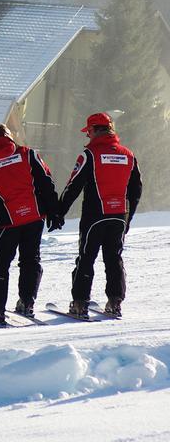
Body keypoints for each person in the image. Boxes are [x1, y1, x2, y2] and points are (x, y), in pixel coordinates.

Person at [0, 124, 60, 322]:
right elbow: (47, 182)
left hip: (7, 224)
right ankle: (27, 303)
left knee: (0, 265)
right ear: (10, 137)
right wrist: (54, 212)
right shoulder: (28, 154)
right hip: (34, 218)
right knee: (30, 261)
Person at [57, 113, 142, 317]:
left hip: (95, 216)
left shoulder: (89, 155)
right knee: (114, 259)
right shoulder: (128, 155)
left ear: (95, 129)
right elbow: (136, 189)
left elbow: (73, 186)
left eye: (89, 132)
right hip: (118, 215)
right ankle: (115, 302)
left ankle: (80, 303)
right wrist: (128, 217)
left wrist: (59, 212)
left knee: (86, 258)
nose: (88, 137)